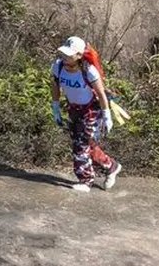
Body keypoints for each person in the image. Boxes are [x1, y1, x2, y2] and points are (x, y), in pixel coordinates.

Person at [51, 37, 120, 191]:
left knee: (80, 144)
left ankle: (86, 180)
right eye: (63, 54)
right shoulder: (58, 66)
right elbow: (54, 85)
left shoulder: (88, 70)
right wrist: (55, 106)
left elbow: (101, 94)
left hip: (91, 110)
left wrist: (107, 115)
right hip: (74, 109)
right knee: (87, 144)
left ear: (79, 55)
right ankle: (111, 166)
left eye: (69, 55)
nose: (65, 57)